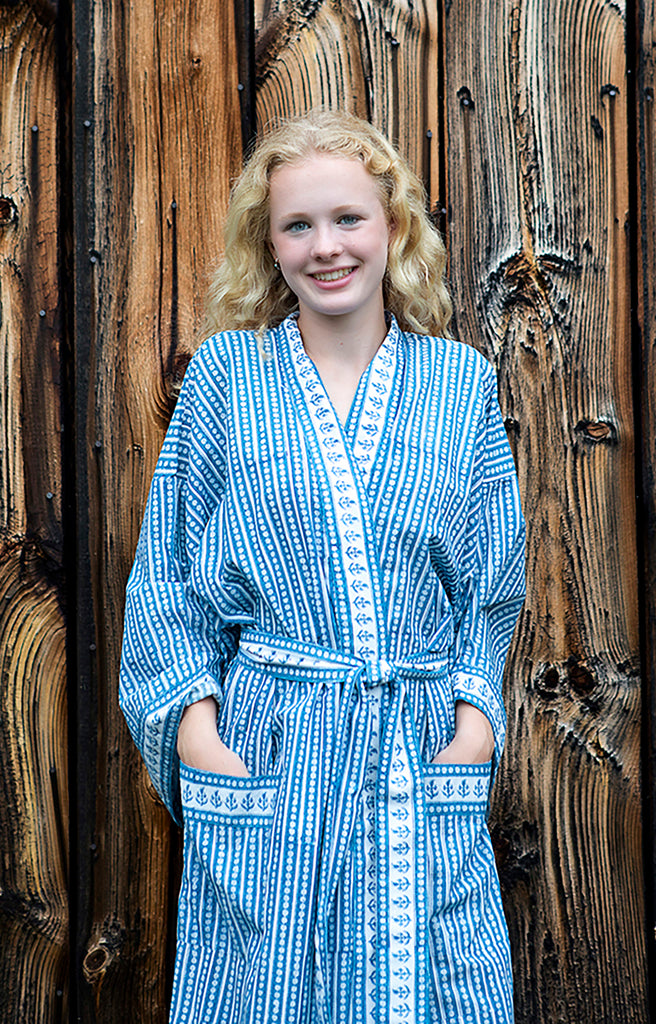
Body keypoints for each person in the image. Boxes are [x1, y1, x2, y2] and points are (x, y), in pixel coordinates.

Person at [119, 108, 526, 1024]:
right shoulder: (229, 378)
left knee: (431, 990)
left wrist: (471, 729)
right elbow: (167, 578)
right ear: (268, 246)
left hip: (418, 759)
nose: (327, 247)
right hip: (268, 752)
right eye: (298, 226)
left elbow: (492, 588)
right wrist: (199, 740)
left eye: (348, 218)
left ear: (393, 228)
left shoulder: (460, 386)